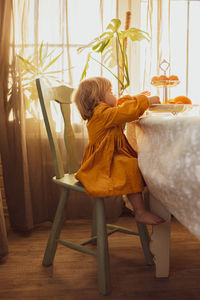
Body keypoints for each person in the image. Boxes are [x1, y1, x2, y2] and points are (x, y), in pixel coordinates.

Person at [73, 76, 164, 225]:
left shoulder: (105, 112)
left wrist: (136, 99)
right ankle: (140, 211)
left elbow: (121, 106)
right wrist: (146, 101)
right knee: (130, 165)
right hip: (100, 164)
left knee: (132, 163)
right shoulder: (101, 114)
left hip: (109, 158)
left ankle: (146, 206)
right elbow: (124, 111)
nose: (114, 94)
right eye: (110, 91)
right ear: (99, 98)